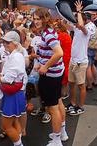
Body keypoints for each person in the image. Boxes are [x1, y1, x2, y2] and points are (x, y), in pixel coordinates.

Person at [33, 8, 67, 146]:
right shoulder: (47, 32)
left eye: (38, 19)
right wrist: (40, 61)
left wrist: (45, 66)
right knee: (58, 102)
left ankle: (57, 139)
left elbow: (59, 53)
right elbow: (49, 51)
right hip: (55, 73)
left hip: (51, 75)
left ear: (45, 19)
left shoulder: (48, 34)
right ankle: (62, 133)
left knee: (53, 108)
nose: (36, 21)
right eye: (34, 19)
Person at [0, 31, 27, 146]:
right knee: (15, 120)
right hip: (14, 94)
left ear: (15, 44)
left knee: (6, 126)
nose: (5, 44)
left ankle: (19, 144)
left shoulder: (16, 57)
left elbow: (8, 79)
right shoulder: (14, 55)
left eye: (8, 42)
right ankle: (19, 142)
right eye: (4, 42)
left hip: (13, 95)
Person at [66, 6, 96, 116]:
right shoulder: (76, 29)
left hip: (81, 62)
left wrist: (79, 11)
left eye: (77, 20)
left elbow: (81, 25)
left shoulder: (86, 31)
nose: (75, 22)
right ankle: (73, 103)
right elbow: (67, 26)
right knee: (71, 84)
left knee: (81, 85)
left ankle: (81, 106)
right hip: (73, 61)